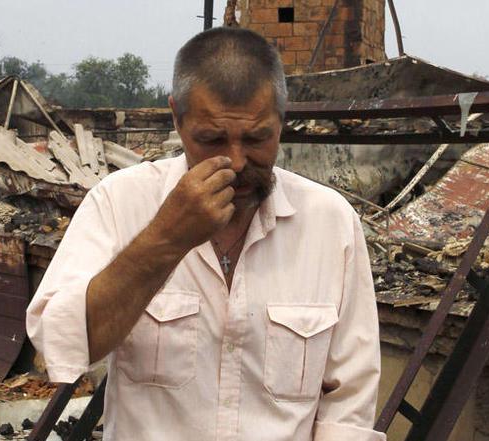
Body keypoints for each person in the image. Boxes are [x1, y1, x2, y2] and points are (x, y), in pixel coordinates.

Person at [26, 27, 385, 441]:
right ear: (177, 118)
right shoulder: (119, 203)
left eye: (256, 138)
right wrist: (167, 238)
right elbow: (59, 342)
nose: (236, 161)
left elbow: (350, 401)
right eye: (212, 139)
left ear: (282, 120)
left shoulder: (330, 223)